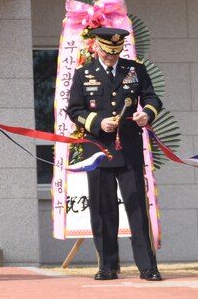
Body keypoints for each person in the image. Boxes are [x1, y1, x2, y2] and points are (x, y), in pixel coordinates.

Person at [67, 27, 162, 282]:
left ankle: (147, 266)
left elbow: (153, 98)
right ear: (97, 46)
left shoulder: (134, 70)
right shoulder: (83, 73)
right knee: (102, 209)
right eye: (107, 51)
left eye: (116, 52)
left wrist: (147, 114)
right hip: (97, 150)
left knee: (137, 209)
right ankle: (107, 265)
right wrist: (98, 122)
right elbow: (74, 110)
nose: (111, 56)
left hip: (128, 148)